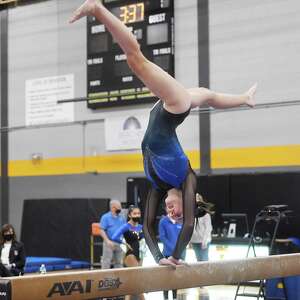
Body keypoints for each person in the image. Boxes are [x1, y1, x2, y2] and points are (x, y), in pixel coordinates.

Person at [69, 0, 257, 266]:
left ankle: (244, 98)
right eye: (178, 213)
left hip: (169, 108)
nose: (174, 215)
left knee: (206, 95)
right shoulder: (187, 179)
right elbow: (190, 225)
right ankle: (98, 8)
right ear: (187, 200)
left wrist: (160, 259)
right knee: (136, 59)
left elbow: (146, 227)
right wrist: (176, 256)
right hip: (174, 108)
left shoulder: (157, 186)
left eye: (173, 216)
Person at [112, 206, 145, 300]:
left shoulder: (141, 227)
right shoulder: (126, 226)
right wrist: (124, 243)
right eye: (135, 213)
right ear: (130, 215)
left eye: (138, 213)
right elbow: (114, 236)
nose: (137, 215)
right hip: (130, 255)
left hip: (139, 255)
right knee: (138, 280)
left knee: (132, 282)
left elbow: (144, 242)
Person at [159, 193, 186, 300]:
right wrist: (174, 250)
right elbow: (162, 237)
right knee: (166, 279)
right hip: (167, 254)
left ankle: (175, 297)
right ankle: (165, 297)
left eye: (172, 206)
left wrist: (180, 250)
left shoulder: (181, 220)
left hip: (180, 254)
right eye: (168, 207)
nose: (170, 209)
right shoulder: (163, 221)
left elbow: (184, 237)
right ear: (165, 208)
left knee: (176, 279)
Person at [99, 199, 126, 269]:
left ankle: (119, 278)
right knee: (106, 262)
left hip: (119, 243)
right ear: (113, 208)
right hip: (109, 243)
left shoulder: (122, 217)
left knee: (119, 263)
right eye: (119, 207)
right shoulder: (105, 217)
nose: (120, 209)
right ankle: (104, 278)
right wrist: (107, 241)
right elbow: (101, 230)